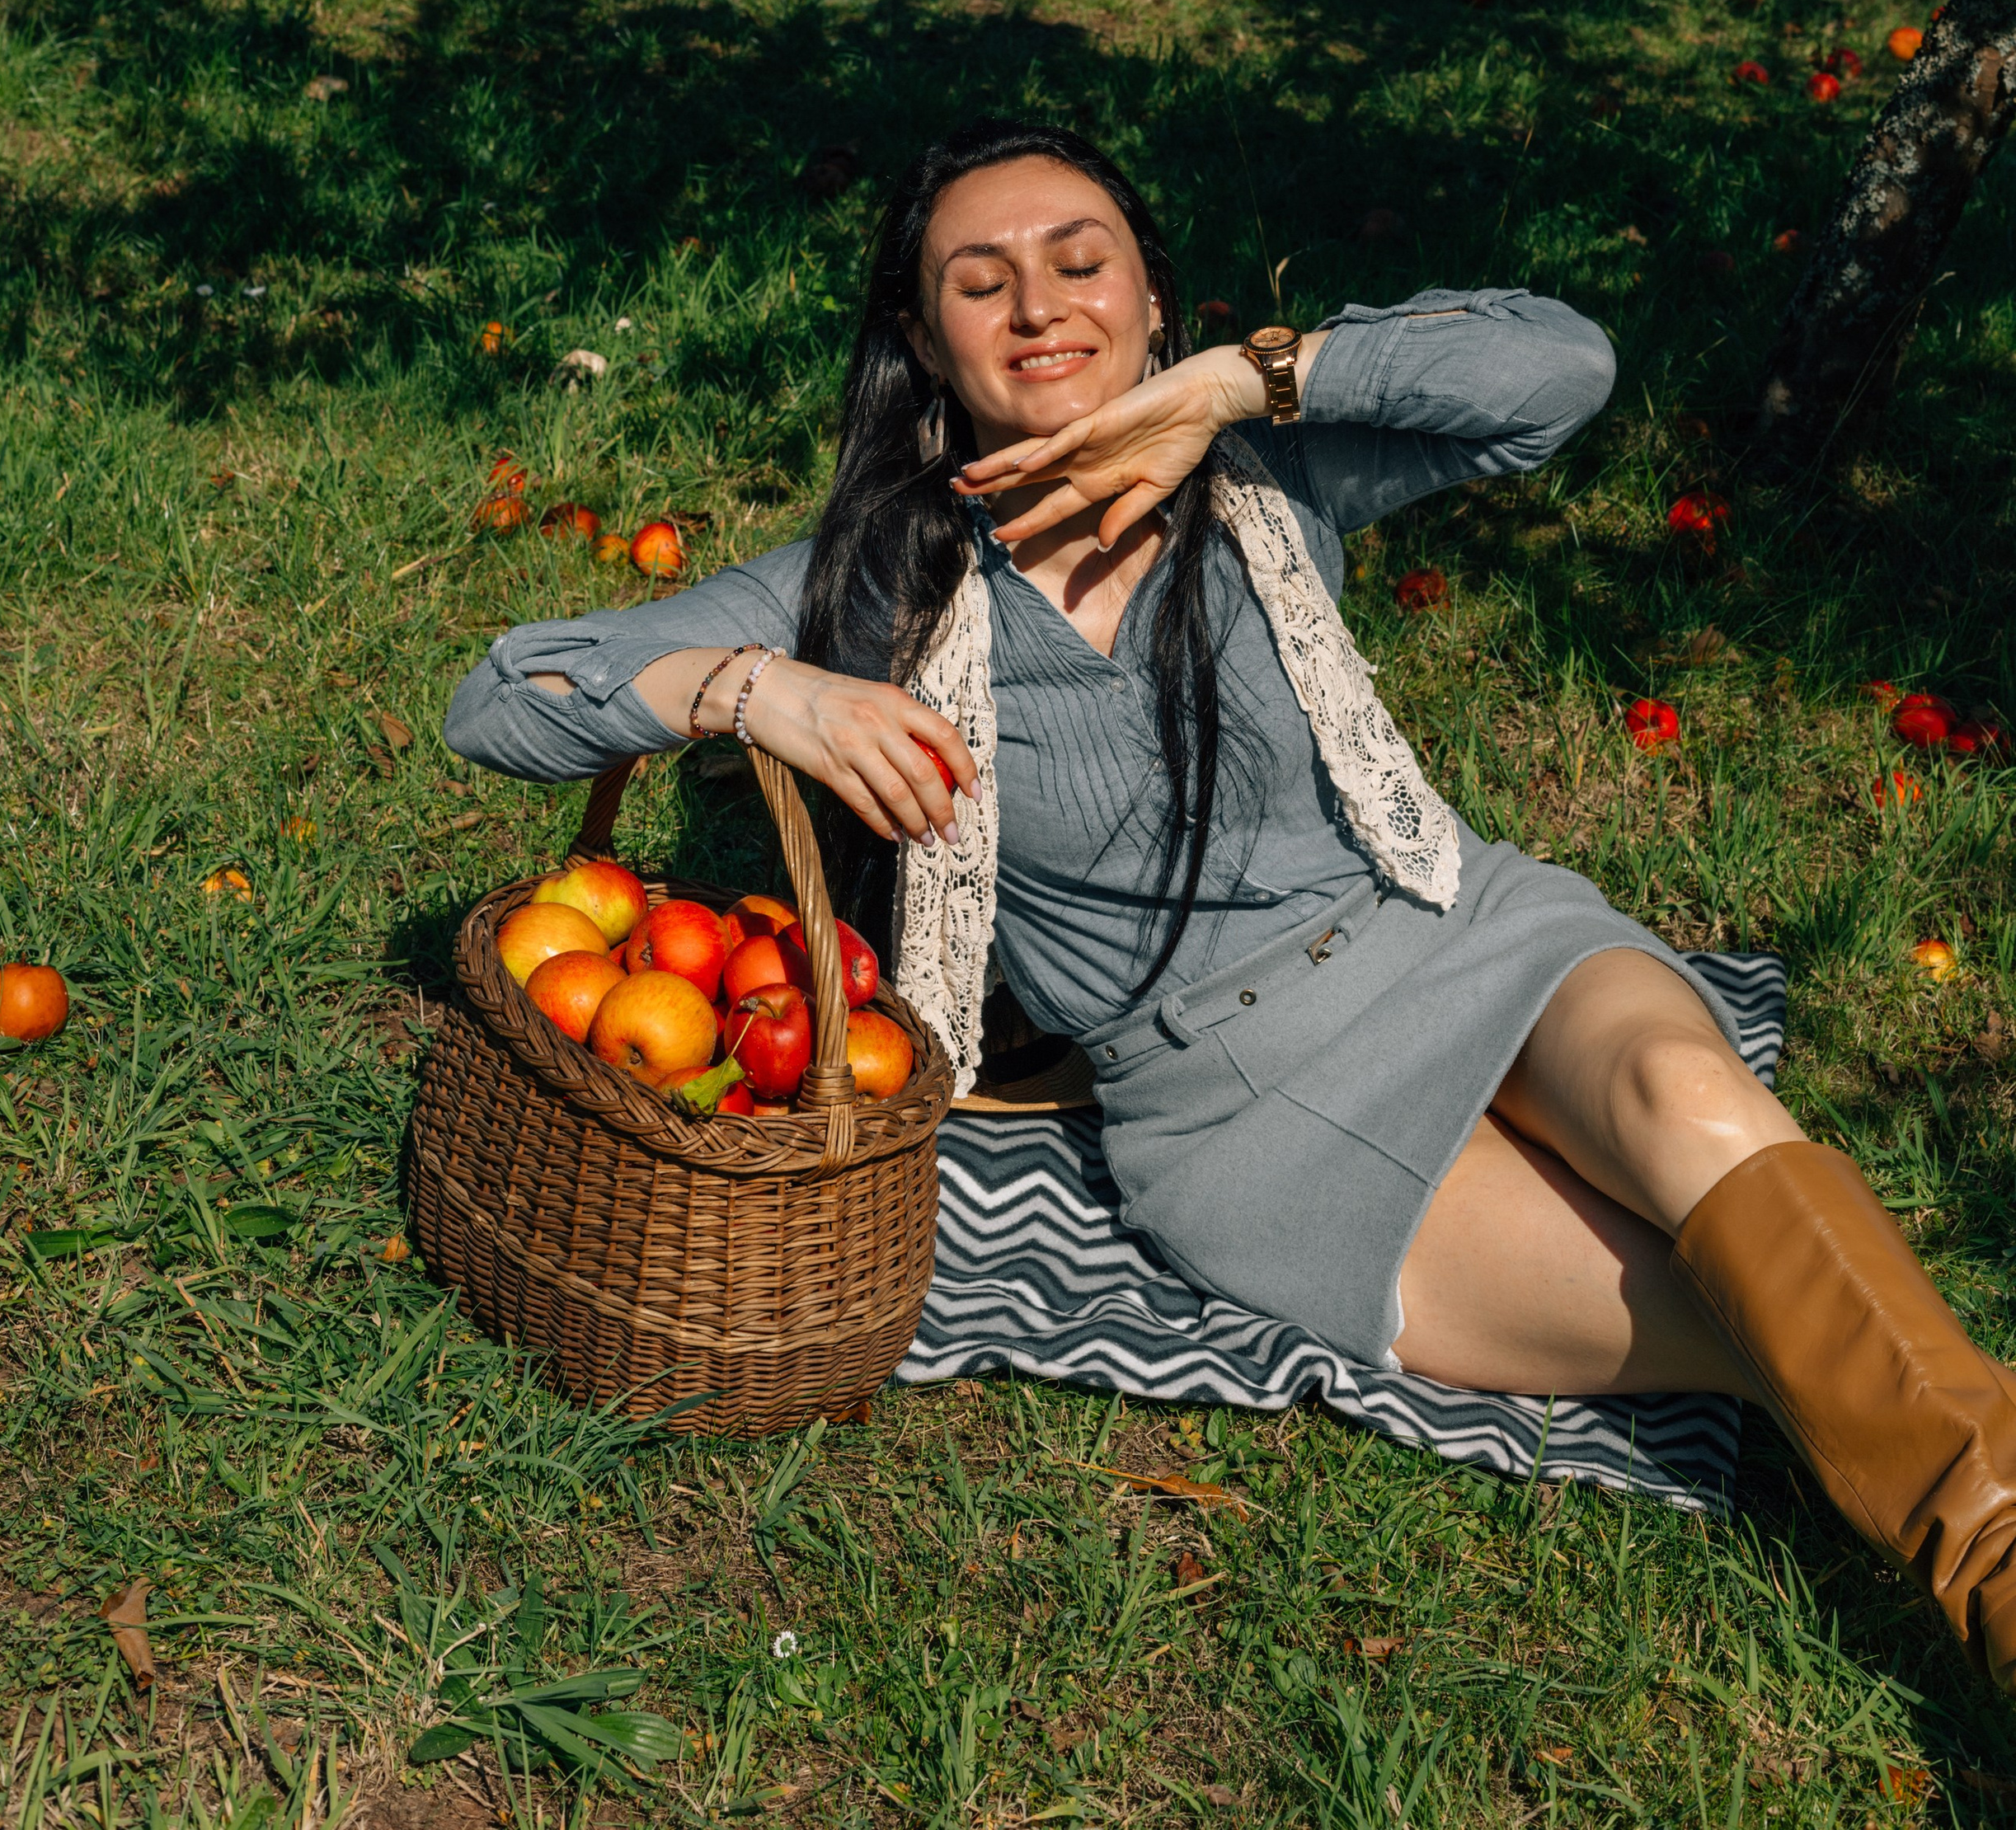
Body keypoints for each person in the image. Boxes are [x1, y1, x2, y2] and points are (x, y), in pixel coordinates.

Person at [445, 117, 2016, 1692]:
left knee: (1685, 1097)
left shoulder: (1267, 469)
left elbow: (1563, 370)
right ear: (925, 342)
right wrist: (747, 688)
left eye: (1082, 263)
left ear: (1146, 297)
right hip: (1237, 1099)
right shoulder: (874, 582)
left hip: (1459, 929)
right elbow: (500, 698)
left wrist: (1240, 384)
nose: (1040, 307)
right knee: (1722, 1313)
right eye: (980, 285)